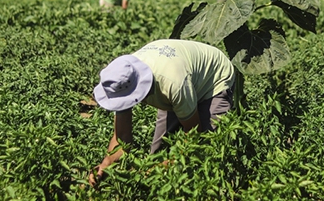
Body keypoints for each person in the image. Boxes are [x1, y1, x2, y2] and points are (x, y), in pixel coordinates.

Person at [89, 39, 236, 185]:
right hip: (181, 74)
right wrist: (107, 163)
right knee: (157, 155)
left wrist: (159, 169)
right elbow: (122, 137)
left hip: (213, 79)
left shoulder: (172, 84)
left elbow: (193, 133)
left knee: (206, 151)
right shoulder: (121, 80)